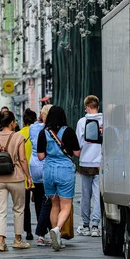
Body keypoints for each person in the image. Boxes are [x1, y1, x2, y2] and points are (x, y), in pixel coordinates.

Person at [37, 106, 81, 251]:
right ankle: (57, 229)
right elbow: (77, 153)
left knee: (54, 204)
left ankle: (55, 237)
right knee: (66, 205)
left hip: (48, 171)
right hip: (65, 171)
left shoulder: (43, 133)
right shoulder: (68, 131)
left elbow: (40, 156)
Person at [0, 111, 32, 251]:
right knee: (19, 209)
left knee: (0, 210)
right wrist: (28, 177)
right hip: (16, 178)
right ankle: (18, 239)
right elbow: (23, 159)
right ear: (12, 122)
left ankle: (1, 242)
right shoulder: (18, 137)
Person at [76, 95, 103, 237]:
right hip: (101, 163)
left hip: (86, 162)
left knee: (85, 195)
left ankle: (85, 225)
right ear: (98, 106)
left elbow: (78, 142)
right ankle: (95, 226)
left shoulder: (82, 121)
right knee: (98, 195)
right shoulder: (105, 120)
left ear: (87, 107)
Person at [30, 104, 52, 246]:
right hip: (46, 166)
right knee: (48, 201)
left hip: (34, 167)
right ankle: (43, 232)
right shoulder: (50, 130)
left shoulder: (33, 128)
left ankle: (42, 232)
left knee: (38, 201)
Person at [18, 108, 37, 241]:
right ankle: (42, 230)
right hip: (37, 172)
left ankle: (28, 231)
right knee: (40, 203)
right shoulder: (39, 133)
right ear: (35, 120)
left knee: (24, 206)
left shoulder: (19, 135)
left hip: (23, 174)